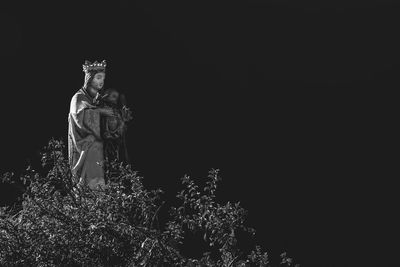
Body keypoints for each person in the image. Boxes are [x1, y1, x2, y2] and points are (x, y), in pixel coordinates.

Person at [68, 60, 115, 190]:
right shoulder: (78, 97)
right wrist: (100, 111)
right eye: (98, 77)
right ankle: (89, 190)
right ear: (89, 78)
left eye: (103, 78)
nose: (101, 81)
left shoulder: (95, 99)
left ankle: (98, 192)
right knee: (94, 145)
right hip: (85, 145)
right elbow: (78, 116)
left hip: (97, 145)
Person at [99, 88, 132, 165]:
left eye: (116, 97)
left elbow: (121, 123)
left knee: (118, 155)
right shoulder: (104, 110)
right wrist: (107, 132)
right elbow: (104, 123)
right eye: (113, 96)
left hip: (117, 138)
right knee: (107, 154)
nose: (115, 100)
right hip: (107, 138)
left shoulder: (117, 111)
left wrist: (120, 129)